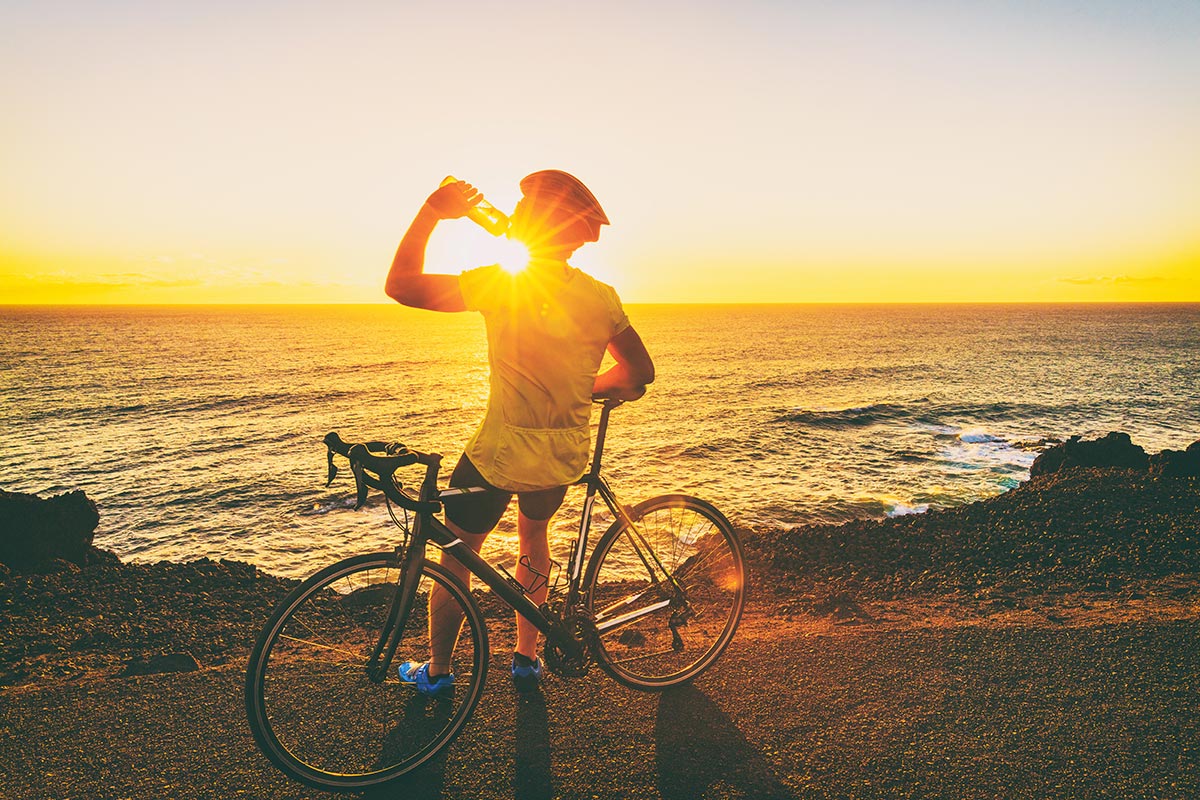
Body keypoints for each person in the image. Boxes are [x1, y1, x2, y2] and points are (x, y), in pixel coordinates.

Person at [384, 170, 655, 693]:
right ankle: (526, 660)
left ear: (534, 225)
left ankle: (438, 674)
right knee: (534, 536)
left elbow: (400, 286)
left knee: (458, 555)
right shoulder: (601, 297)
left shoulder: (502, 282)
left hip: (500, 453)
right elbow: (640, 374)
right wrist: (584, 388)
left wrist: (431, 213)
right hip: (560, 456)